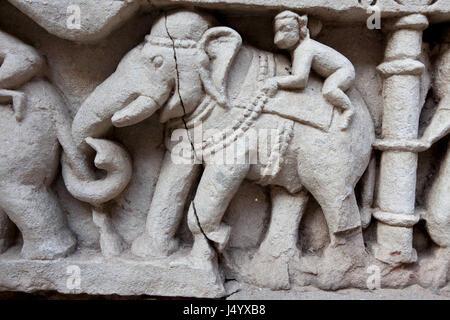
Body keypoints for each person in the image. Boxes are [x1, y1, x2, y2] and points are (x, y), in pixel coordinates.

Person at [264, 10, 356, 130]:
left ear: (299, 30)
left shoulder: (305, 48)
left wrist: (276, 81)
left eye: (286, 30)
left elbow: (301, 80)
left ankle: (348, 109)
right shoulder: (298, 48)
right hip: (339, 68)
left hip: (343, 71)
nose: (279, 37)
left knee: (329, 90)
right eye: (278, 30)